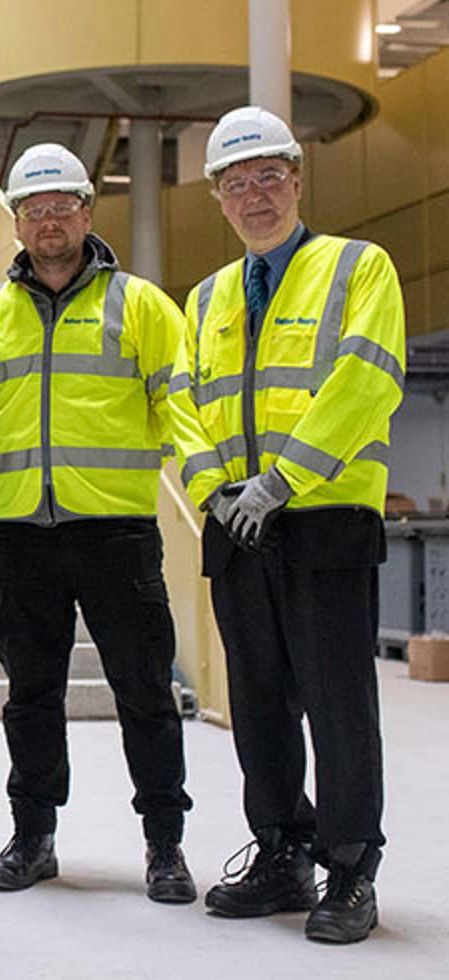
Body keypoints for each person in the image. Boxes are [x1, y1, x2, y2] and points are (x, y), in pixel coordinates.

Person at [168, 106, 404, 945]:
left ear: (297, 179)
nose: (254, 195)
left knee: (339, 704)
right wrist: (216, 491)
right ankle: (281, 852)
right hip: (237, 527)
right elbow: (182, 404)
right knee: (259, 703)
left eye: (269, 175)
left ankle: (349, 869)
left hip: (325, 520)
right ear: (219, 199)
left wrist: (283, 480)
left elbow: (366, 380)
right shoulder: (206, 298)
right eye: (237, 183)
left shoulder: (357, 269)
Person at [0, 143, 195, 903]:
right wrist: (30, 461)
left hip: (116, 531)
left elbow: (173, 404)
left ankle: (164, 846)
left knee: (145, 692)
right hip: (25, 531)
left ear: (88, 213)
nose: (48, 221)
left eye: (61, 206)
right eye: (33, 209)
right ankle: (33, 837)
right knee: (30, 694)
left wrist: (117, 467)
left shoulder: (142, 305)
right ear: (16, 224)